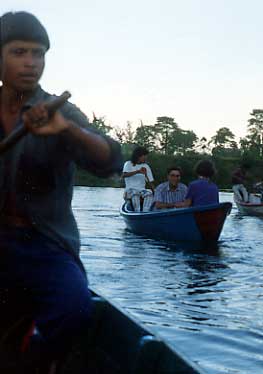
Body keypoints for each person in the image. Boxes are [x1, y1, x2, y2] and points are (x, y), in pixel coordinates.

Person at [0, 11, 122, 371]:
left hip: (46, 243)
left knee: (74, 309)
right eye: (19, 52)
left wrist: (66, 130)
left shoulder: (60, 110)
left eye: (38, 54)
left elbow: (111, 160)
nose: (31, 63)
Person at [122, 146, 155, 211]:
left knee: (149, 193)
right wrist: (138, 171)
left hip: (141, 190)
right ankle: (137, 212)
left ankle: (145, 212)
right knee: (135, 194)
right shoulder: (128, 164)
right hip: (130, 190)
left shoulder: (146, 166)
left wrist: (145, 175)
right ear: (138, 156)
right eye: (144, 155)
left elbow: (150, 182)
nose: (146, 157)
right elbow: (124, 175)